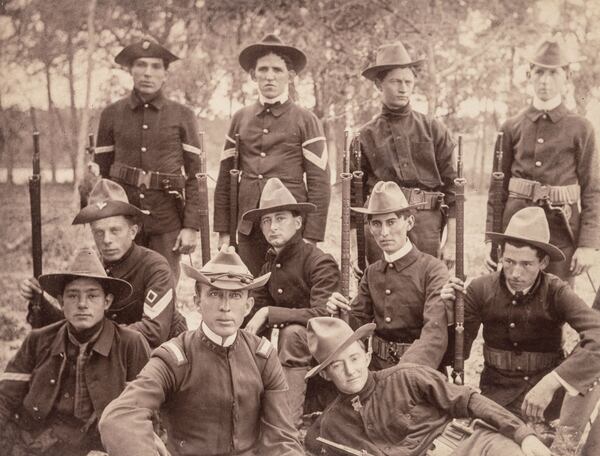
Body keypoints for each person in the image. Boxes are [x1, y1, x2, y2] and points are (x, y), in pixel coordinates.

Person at [99, 246, 304, 456]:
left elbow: (282, 438)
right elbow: (119, 417)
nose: (225, 306)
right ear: (198, 302)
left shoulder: (263, 357)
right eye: (215, 294)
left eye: (235, 296)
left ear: (248, 305)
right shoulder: (174, 357)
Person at [442, 206, 600, 453]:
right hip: (497, 402)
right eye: (509, 261)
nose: (515, 273)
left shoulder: (556, 292)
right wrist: (450, 314)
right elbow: (455, 355)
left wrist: (552, 382)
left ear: (544, 262)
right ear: (500, 255)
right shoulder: (480, 290)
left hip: (548, 408)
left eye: (526, 264)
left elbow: (597, 335)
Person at [304, 317, 551, 456]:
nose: (350, 370)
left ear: (367, 356)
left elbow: (470, 400)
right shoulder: (330, 427)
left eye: (354, 358)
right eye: (337, 366)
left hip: (470, 447)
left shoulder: (407, 377)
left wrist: (523, 434)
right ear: (325, 374)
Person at [0, 248, 150, 456]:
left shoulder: (130, 344)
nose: (82, 304)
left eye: (92, 296)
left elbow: (148, 412)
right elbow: (5, 400)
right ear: (61, 302)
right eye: (72, 295)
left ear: (107, 302)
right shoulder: (38, 340)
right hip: (38, 445)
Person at [214, 33, 330, 276]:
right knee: (247, 287)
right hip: (248, 226)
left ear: (291, 75)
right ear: (253, 75)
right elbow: (225, 179)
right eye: (263, 69)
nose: (269, 76)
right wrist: (224, 231)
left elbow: (319, 183)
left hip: (289, 225)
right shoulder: (240, 118)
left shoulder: (305, 119)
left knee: (290, 290)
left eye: (277, 70)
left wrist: (312, 235)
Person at [484, 38, 600, 282]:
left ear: (566, 77)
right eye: (539, 73)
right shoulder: (511, 126)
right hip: (515, 227)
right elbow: (497, 190)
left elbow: (592, 189)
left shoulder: (582, 128)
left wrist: (588, 244)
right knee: (513, 299)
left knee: (557, 303)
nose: (545, 80)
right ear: (529, 75)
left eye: (553, 73)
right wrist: (492, 240)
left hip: (561, 228)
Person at [20, 178, 186, 348]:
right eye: (99, 232)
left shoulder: (155, 267)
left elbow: (153, 332)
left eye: (115, 230)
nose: (107, 240)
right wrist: (39, 301)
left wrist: (95, 336)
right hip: (115, 355)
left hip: (160, 359)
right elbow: (74, 325)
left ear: (133, 231)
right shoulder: (91, 267)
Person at [93, 38, 202, 280]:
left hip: (166, 221)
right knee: (119, 288)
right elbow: (100, 176)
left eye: (155, 66)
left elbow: (196, 176)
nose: (147, 73)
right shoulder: (111, 114)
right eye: (141, 65)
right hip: (122, 220)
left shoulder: (183, 115)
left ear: (165, 73)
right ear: (131, 70)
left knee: (163, 288)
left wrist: (191, 226)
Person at [242, 177, 340, 425]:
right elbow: (254, 306)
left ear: (298, 223)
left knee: (294, 334)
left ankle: (287, 428)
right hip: (286, 359)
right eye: (266, 221)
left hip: (322, 358)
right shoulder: (269, 263)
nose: (272, 226)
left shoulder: (319, 261)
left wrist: (268, 313)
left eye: (280, 218)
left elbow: (321, 315)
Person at [326, 180, 449, 371]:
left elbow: (434, 335)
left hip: (419, 373)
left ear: (409, 222)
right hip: (377, 371)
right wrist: (340, 312)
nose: (384, 233)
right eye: (376, 224)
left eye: (391, 222)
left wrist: (402, 375)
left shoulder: (433, 270)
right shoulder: (372, 272)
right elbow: (358, 323)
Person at [353, 41, 457, 265]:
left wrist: (452, 243)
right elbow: (356, 199)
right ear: (379, 84)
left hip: (427, 223)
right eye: (395, 81)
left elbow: (454, 189)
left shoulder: (434, 129)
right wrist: (355, 247)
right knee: (383, 290)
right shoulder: (364, 136)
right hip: (383, 226)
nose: (403, 88)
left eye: (408, 82)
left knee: (427, 288)